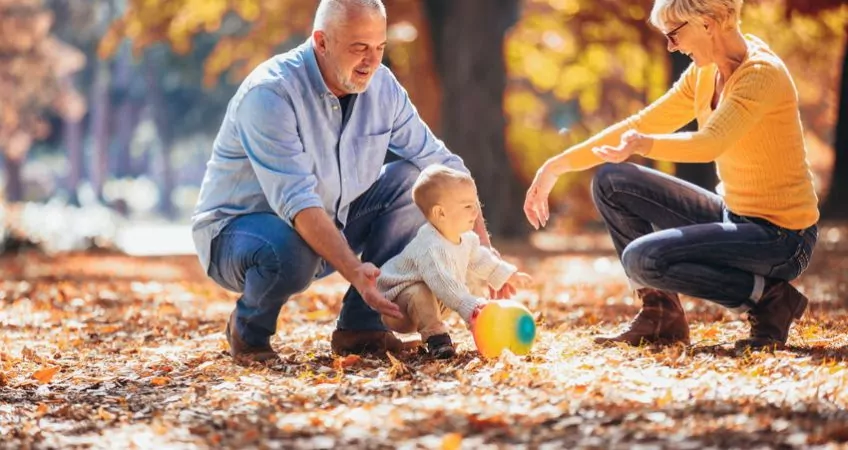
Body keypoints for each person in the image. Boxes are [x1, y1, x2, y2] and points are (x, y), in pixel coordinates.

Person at [191, 0, 505, 364]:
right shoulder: (271, 94)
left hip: (329, 222)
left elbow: (442, 164)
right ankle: (249, 332)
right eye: (359, 48)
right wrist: (357, 272)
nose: (372, 61)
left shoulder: (382, 87)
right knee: (289, 247)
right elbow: (298, 203)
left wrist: (481, 247)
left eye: (379, 48)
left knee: (415, 182)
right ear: (321, 42)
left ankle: (361, 327)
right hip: (239, 236)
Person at [523, 0, 819, 351]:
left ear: (707, 24)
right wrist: (556, 165)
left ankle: (769, 297)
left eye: (674, 34)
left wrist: (645, 145)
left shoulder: (760, 75)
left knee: (641, 259)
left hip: (784, 239)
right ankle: (662, 315)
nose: (671, 46)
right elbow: (640, 124)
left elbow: (710, 143)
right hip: (735, 215)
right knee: (612, 181)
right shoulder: (704, 73)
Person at [377, 165, 533, 358]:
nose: (475, 212)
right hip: (398, 307)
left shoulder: (466, 239)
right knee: (420, 291)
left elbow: (481, 259)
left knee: (468, 277)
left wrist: (506, 274)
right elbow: (442, 282)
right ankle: (437, 340)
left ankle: (477, 325)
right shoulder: (429, 245)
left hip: (436, 301)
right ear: (440, 213)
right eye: (467, 206)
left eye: (475, 204)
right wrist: (472, 306)